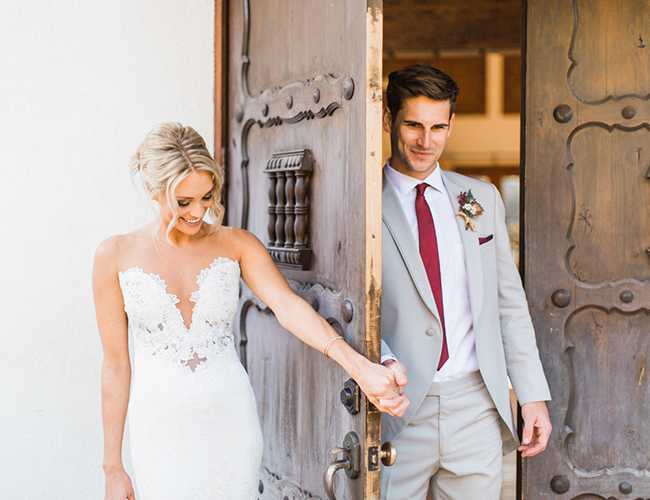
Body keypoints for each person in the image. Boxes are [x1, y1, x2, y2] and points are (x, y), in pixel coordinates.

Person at [93, 122, 408, 500]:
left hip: (230, 422)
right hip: (159, 430)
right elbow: (115, 365)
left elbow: (289, 307)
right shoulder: (114, 255)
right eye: (184, 202)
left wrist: (359, 366)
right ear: (153, 192)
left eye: (207, 196)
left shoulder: (236, 244)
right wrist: (113, 465)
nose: (198, 212)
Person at [378, 65, 552, 500]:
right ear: (389, 120)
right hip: (396, 410)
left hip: (477, 405)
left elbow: (508, 304)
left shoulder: (478, 198)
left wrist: (530, 394)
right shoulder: (363, 203)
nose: (426, 140)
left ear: (452, 124)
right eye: (413, 125)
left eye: (438, 126)